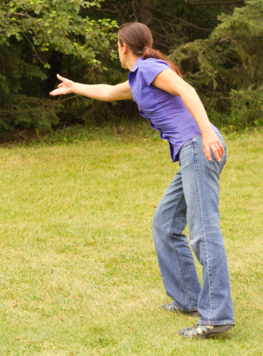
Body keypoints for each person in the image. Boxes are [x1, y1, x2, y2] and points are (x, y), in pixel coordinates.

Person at [50, 22, 235, 339]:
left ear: (123, 46)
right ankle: (187, 299)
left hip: (199, 146)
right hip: (192, 150)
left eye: (115, 44)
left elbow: (186, 90)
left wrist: (205, 131)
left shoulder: (150, 68)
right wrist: (75, 86)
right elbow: (108, 92)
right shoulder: (139, 78)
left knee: (203, 230)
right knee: (165, 223)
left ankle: (216, 316)